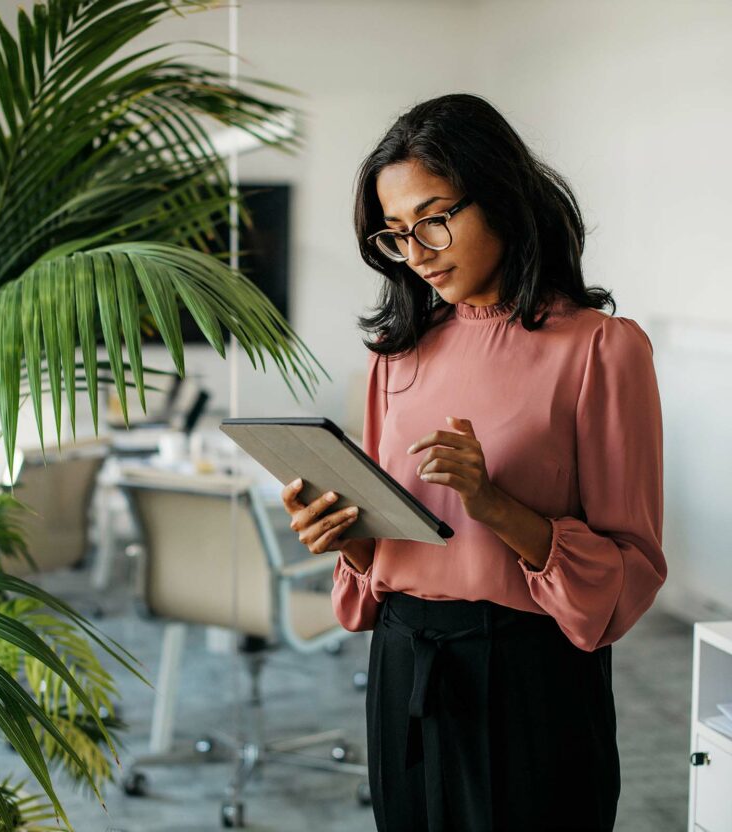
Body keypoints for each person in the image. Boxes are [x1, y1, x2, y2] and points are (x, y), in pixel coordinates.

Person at [280, 92, 666, 832]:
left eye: (434, 217)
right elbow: (394, 551)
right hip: (403, 667)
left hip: (529, 680)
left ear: (500, 196)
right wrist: (348, 539)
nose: (417, 251)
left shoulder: (602, 350)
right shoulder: (397, 356)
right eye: (395, 234)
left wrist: (497, 506)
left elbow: (630, 575)